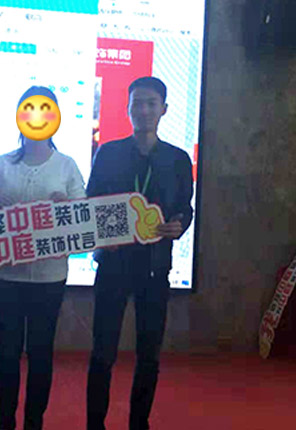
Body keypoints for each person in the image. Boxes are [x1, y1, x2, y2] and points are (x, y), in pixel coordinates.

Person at [85, 77, 194, 430]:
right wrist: (101, 236)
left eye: (151, 104)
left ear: (164, 109)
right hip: (113, 263)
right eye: (137, 103)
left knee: (149, 355)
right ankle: (95, 423)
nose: (144, 110)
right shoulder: (109, 153)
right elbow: (91, 202)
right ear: (128, 108)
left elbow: (185, 208)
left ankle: (139, 422)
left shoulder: (178, 160)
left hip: (155, 266)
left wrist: (180, 224)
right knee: (103, 352)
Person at [0, 86, 86, 430]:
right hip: (6, 276)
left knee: (41, 354)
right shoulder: (1, 165)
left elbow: (81, 220)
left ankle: (34, 423)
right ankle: (5, 423)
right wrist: (1, 217)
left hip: (49, 278)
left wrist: (66, 211)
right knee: (7, 354)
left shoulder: (66, 166)